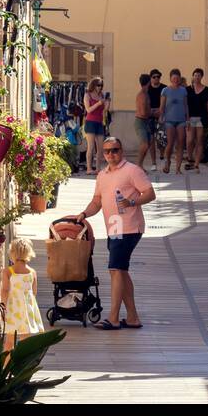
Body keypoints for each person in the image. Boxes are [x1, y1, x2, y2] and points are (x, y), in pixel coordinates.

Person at [75, 136, 155, 330]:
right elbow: (97, 201)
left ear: (122, 151)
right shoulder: (102, 175)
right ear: (103, 154)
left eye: (115, 150)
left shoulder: (132, 170)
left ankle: (113, 317)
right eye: (107, 151)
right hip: (114, 227)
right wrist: (84, 214)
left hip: (128, 227)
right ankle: (133, 317)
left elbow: (150, 193)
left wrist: (132, 202)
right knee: (121, 271)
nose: (111, 154)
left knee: (115, 270)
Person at [0, 237, 44, 350]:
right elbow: (34, 292)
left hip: (12, 309)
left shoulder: (8, 271)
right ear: (28, 254)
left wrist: (3, 306)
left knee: (9, 342)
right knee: (25, 341)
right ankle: (23, 366)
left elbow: (5, 290)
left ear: (12, 253)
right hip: (27, 310)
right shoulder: (32, 272)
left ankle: (7, 366)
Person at [159, 69, 189, 174]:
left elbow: (186, 105)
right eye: (174, 78)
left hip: (181, 120)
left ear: (180, 79)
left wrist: (188, 119)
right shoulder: (165, 90)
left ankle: (178, 168)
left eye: (177, 78)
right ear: (170, 79)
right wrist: (160, 117)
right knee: (170, 143)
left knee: (180, 142)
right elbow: (162, 106)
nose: (176, 80)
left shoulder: (183, 90)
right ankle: (167, 162)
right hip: (169, 120)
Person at [185, 68, 208, 169]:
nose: (197, 77)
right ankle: (189, 158)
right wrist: (186, 117)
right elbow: (185, 104)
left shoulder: (206, 90)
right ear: (193, 76)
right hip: (190, 117)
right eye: (195, 75)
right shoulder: (188, 89)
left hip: (201, 117)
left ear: (202, 77)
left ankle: (196, 163)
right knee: (190, 140)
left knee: (200, 140)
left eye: (199, 75)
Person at [83, 77, 108, 173]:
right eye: (98, 85)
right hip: (90, 122)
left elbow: (105, 110)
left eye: (101, 85)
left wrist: (107, 103)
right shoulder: (87, 95)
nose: (100, 87)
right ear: (93, 85)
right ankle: (89, 168)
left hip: (100, 122)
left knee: (100, 147)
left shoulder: (101, 95)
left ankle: (98, 168)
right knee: (91, 146)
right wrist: (98, 103)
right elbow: (88, 110)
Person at [134, 73, 158, 170]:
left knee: (147, 144)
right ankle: (137, 165)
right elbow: (143, 113)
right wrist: (153, 113)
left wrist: (152, 111)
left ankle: (140, 165)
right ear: (149, 82)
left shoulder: (145, 94)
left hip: (145, 122)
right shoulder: (142, 95)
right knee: (144, 144)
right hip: (140, 122)